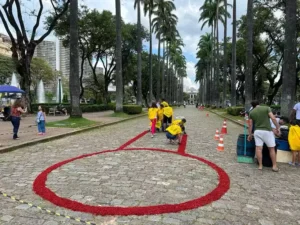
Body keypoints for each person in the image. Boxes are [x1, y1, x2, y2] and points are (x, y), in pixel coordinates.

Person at [247, 100, 280, 172]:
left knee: (259, 148)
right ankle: (274, 166)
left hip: (257, 131)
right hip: (267, 131)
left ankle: (260, 165)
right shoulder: (266, 108)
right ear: (259, 103)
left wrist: (249, 134)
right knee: (271, 148)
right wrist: (278, 127)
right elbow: (273, 118)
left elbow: (250, 125)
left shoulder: (251, 112)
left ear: (252, 106)